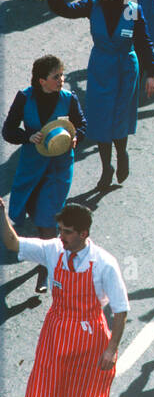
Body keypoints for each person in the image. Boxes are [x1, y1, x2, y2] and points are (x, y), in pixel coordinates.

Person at [0, 198, 128, 397]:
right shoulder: (53, 250)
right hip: (56, 335)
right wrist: (1, 214)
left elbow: (121, 311)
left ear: (84, 233)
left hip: (90, 338)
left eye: (68, 231)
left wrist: (111, 349)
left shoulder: (104, 264)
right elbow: (13, 244)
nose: (62, 236)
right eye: (60, 229)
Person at [48, 0, 154, 195]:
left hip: (126, 69)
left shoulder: (131, 7)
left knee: (120, 114)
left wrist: (152, 73)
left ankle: (122, 154)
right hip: (100, 67)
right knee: (100, 118)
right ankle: (106, 167)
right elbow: (65, 10)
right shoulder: (92, 5)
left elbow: (143, 40)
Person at [3, 55, 86, 291]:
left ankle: (46, 267)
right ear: (41, 80)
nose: (61, 80)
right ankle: (47, 257)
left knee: (47, 217)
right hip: (32, 167)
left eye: (61, 75)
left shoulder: (69, 99)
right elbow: (8, 130)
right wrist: (26, 137)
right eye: (55, 76)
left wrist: (76, 137)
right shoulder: (24, 98)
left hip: (58, 168)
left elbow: (82, 124)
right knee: (33, 211)